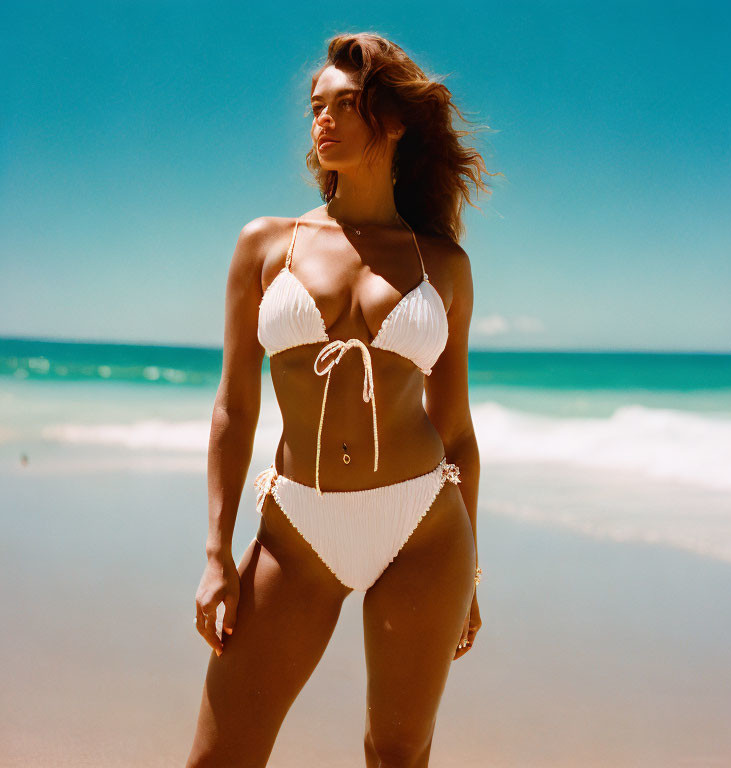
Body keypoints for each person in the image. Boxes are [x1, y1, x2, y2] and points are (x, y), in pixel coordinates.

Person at [186, 32, 496, 768]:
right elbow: (235, 407)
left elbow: (456, 434)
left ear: (391, 121)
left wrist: (471, 581)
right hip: (299, 529)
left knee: (396, 756)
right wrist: (216, 554)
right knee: (219, 758)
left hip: (424, 530)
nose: (322, 121)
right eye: (315, 108)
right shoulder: (267, 246)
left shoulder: (443, 265)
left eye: (345, 106)